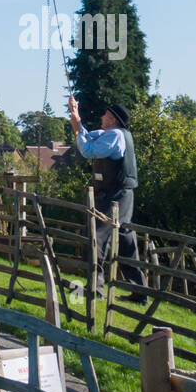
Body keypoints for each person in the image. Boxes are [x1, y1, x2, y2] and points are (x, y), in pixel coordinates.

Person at [68, 96, 146, 299]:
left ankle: (96, 290)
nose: (102, 116)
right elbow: (85, 136)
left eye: (106, 115)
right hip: (118, 194)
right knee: (125, 241)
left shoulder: (115, 137)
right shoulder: (109, 134)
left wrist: (77, 125)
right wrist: (76, 117)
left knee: (96, 236)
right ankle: (139, 293)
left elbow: (87, 150)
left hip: (116, 196)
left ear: (113, 120)